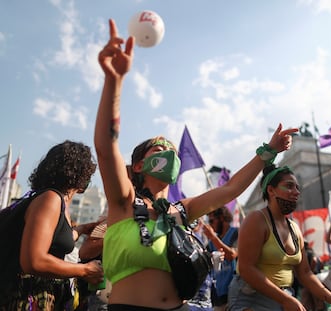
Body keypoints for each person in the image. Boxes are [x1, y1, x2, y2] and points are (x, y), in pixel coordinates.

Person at [94, 18, 298, 310]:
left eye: (173, 150)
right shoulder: (123, 201)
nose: (170, 153)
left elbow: (230, 190)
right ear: (138, 166)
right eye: (160, 148)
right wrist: (114, 81)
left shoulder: (182, 211)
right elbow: (105, 146)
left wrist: (268, 152)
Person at [227, 165, 331, 311]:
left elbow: (305, 272)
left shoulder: (294, 228)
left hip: (283, 297)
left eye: (297, 188)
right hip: (252, 299)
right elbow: (246, 269)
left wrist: (330, 297)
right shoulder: (256, 220)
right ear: (271, 190)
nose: (296, 192)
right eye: (289, 186)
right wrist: (285, 300)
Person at [0, 140, 104, 310]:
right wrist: (85, 270)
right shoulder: (51, 199)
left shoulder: (45, 198)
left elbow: (54, 238)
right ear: (81, 174)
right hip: (26, 299)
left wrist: (82, 229)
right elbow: (34, 261)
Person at [203, 207, 238, 311]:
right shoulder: (210, 244)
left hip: (234, 295)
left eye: (212, 221)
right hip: (218, 297)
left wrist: (213, 238)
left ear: (222, 218)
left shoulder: (236, 233)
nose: (210, 224)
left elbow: (232, 255)